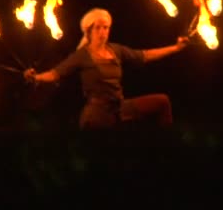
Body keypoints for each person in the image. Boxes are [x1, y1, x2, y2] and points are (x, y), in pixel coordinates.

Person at [23, 8, 189, 131]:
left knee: (162, 101)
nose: (103, 32)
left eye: (106, 27)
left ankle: (168, 148)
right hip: (97, 114)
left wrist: (176, 48)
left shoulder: (115, 50)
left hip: (120, 107)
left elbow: (144, 55)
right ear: (89, 31)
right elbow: (55, 74)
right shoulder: (82, 55)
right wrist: (36, 77)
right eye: (98, 27)